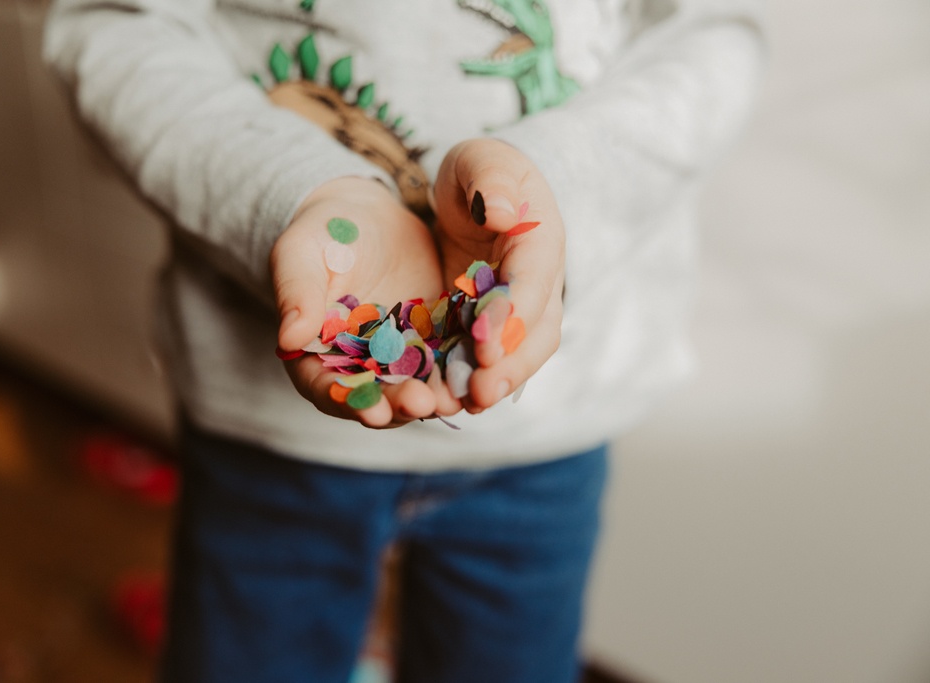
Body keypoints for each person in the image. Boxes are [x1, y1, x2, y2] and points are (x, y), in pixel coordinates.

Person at [43, 1, 766, 681]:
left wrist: (553, 184)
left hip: (551, 429)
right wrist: (300, 192)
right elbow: (113, 26)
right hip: (265, 438)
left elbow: (711, 41)